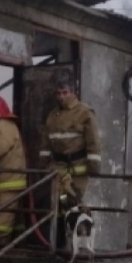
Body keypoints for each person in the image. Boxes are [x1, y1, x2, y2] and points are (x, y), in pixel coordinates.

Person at [38, 77, 101, 210]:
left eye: (65, 92)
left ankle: (80, 228)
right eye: (58, 93)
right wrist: (42, 165)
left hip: (78, 169)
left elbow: (93, 141)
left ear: (73, 93)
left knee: (73, 203)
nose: (61, 97)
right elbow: (46, 144)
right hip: (58, 168)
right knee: (59, 203)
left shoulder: (85, 112)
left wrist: (94, 167)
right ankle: (60, 229)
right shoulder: (52, 115)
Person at [0, 96, 27, 248]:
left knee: (2, 215)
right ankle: (17, 242)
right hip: (11, 180)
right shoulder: (4, 126)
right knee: (15, 218)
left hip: (7, 181)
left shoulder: (2, 126)